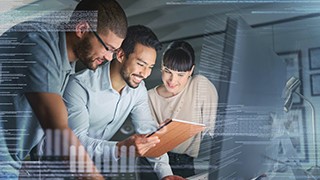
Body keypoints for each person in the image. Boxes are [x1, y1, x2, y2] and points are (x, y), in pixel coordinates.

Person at [0, 0, 127, 178]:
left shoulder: (65, 63)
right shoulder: (37, 41)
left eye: (114, 51)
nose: (109, 57)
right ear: (82, 29)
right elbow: (57, 128)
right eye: (108, 48)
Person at [63, 25, 184, 180]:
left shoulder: (138, 90)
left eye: (150, 67)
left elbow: (148, 132)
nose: (145, 74)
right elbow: (75, 142)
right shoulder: (79, 86)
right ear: (120, 55)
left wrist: (166, 175)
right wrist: (120, 149)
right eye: (141, 64)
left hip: (94, 168)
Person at [147, 41, 218, 178]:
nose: (172, 81)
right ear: (161, 67)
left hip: (185, 162)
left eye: (180, 74)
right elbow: (150, 143)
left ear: (190, 71)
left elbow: (216, 130)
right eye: (168, 72)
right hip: (153, 163)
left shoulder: (200, 85)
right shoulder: (149, 97)